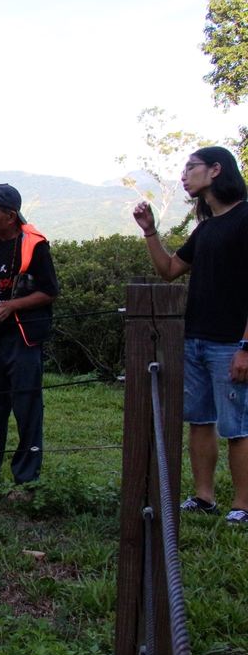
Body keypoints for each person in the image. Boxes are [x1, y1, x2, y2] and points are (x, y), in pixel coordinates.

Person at [132, 146, 248, 525]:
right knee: (199, 420)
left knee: (237, 425)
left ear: (215, 170)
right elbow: (169, 269)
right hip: (195, 337)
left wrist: (246, 346)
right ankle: (204, 497)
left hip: (232, 341)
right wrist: (150, 232)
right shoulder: (206, 228)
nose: (183, 175)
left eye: (190, 168)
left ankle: (242, 506)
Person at [0, 184, 58, 484]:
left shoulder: (35, 244)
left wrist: (11, 306)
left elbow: (49, 292)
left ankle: (26, 478)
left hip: (23, 338)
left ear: (10, 215)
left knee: (27, 409)